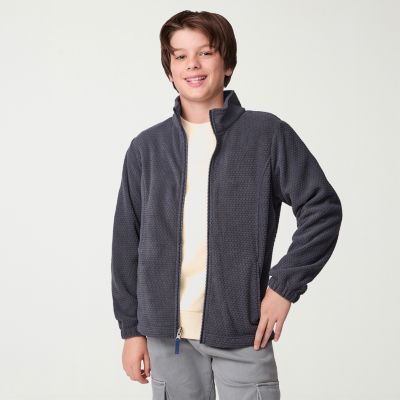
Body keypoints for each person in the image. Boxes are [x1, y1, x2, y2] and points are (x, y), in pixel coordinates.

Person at [111, 10, 342, 400]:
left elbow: (322, 209)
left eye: (205, 52)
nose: (193, 64)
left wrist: (283, 288)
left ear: (228, 63)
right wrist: (131, 330)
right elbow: (125, 243)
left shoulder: (266, 135)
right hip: (168, 337)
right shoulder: (146, 149)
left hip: (242, 329)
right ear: (169, 70)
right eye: (180, 56)